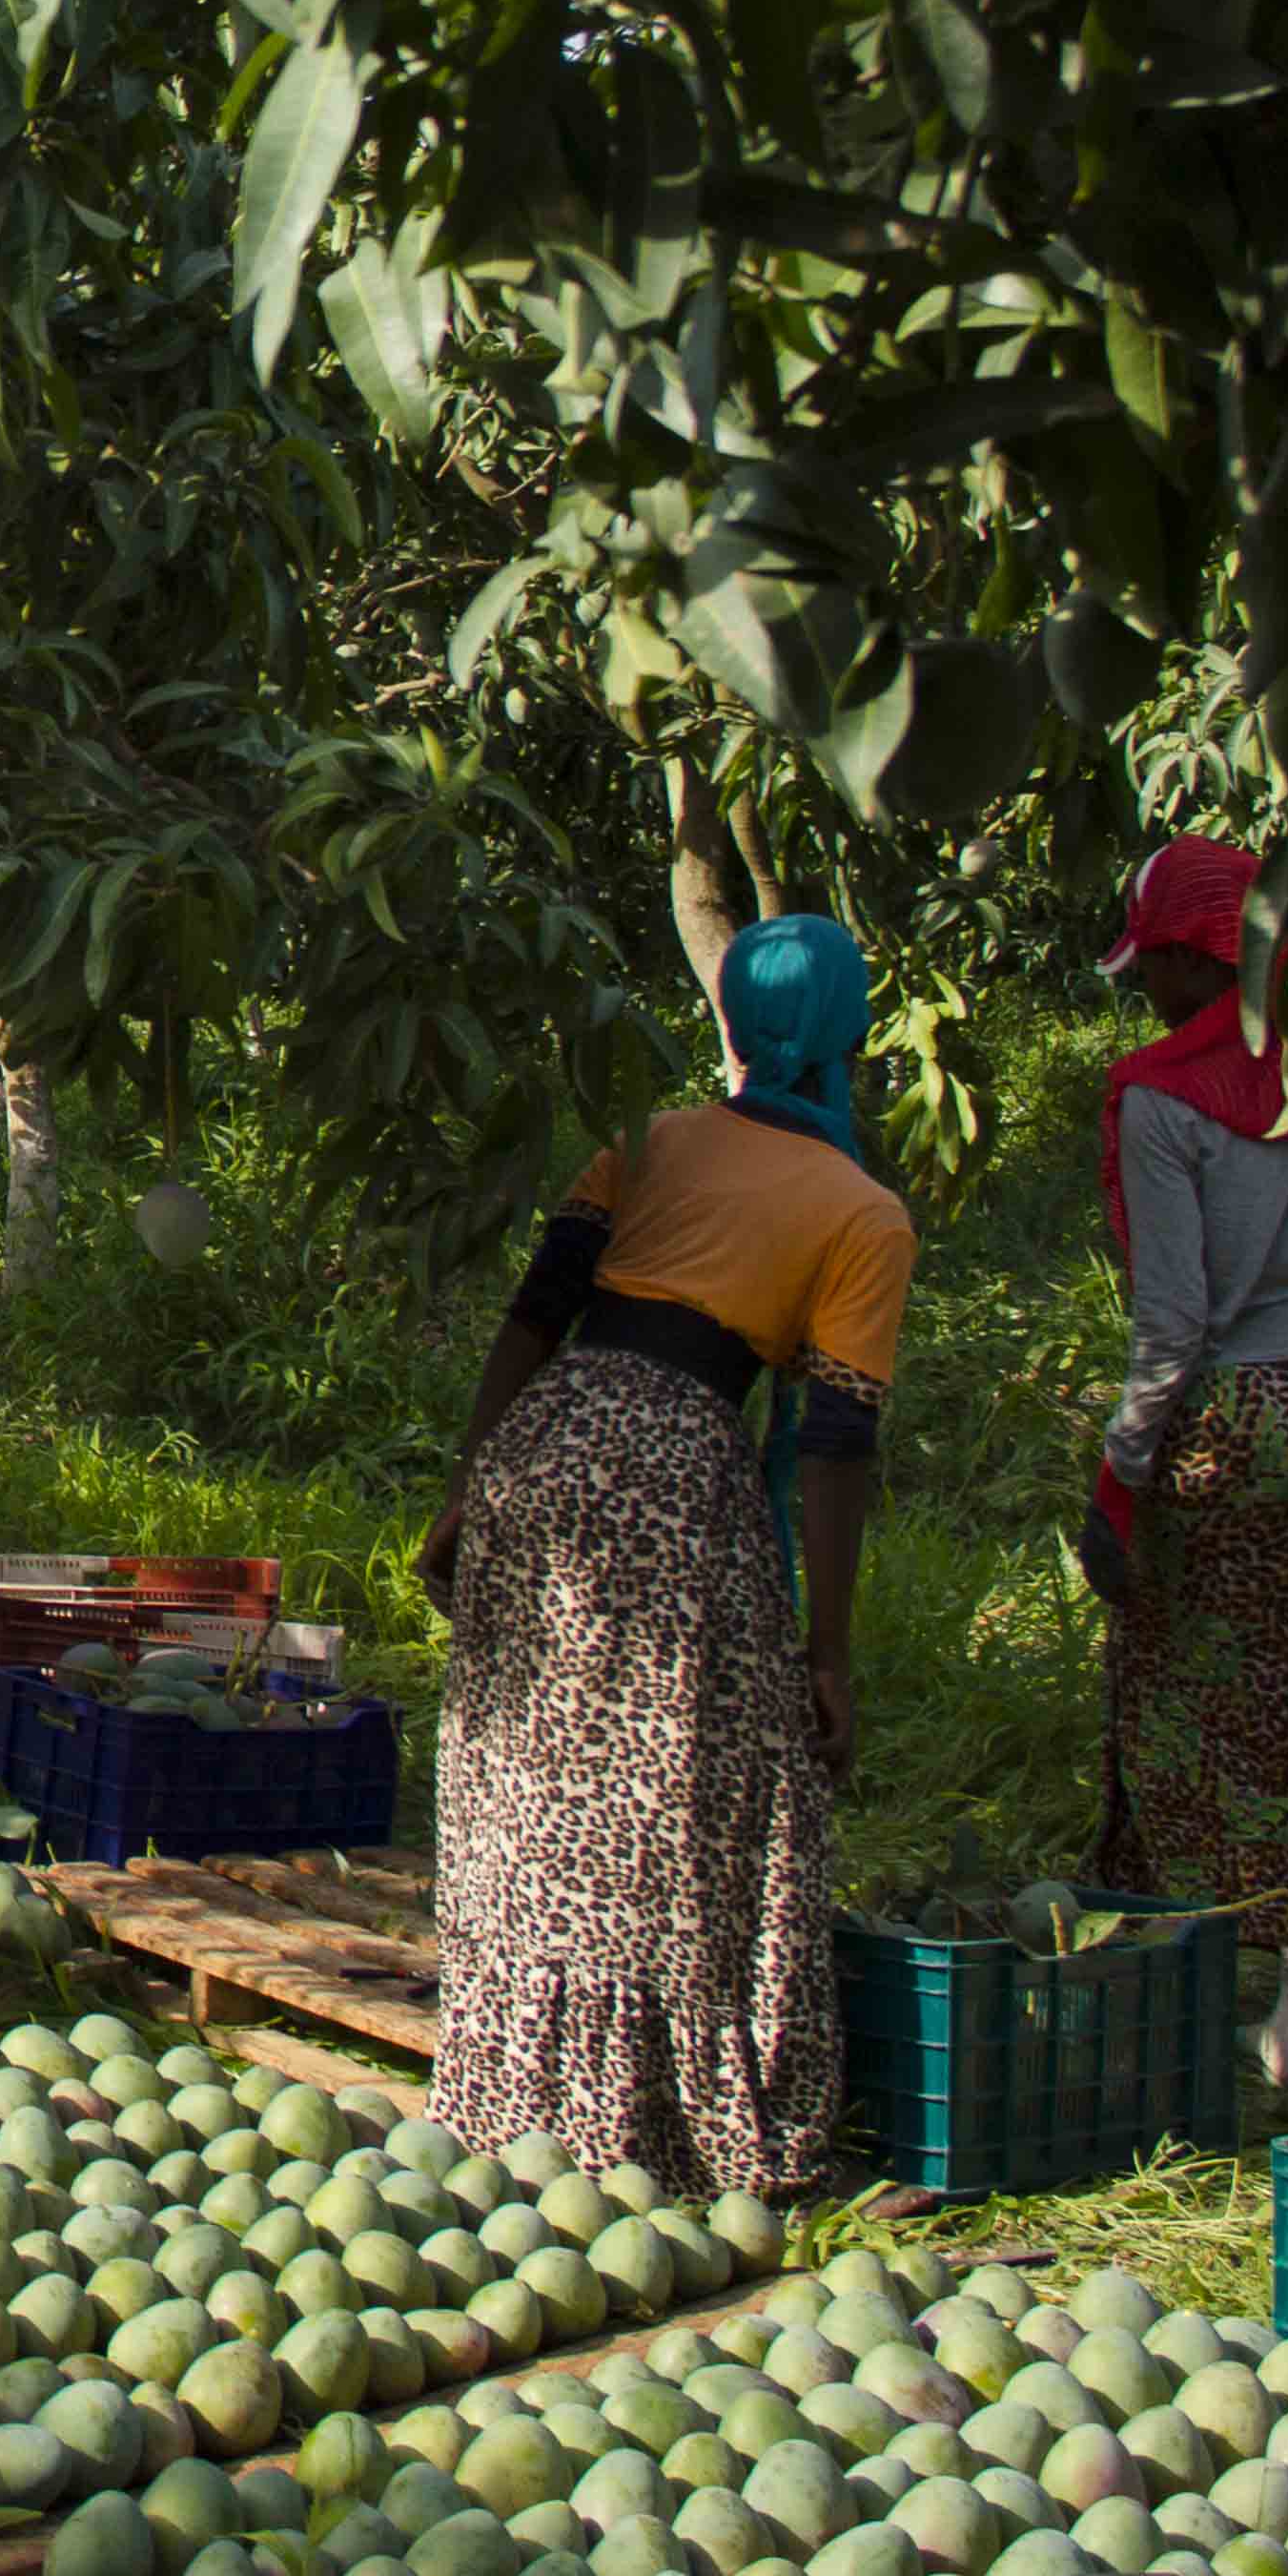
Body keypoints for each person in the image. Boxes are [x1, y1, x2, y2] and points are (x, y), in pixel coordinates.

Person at [420, 913, 908, 2199]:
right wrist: (827, 1655)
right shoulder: (861, 1213)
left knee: (531, 1776)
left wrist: (471, 1481)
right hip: (674, 1478)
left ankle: (509, 2089)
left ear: (734, 1022)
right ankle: (647, 2114)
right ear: (849, 1035)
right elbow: (834, 1448)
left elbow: (534, 1316)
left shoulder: (645, 1143)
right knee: (684, 1793)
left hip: (544, 1444)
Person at [1080, 835, 1288, 2091]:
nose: (1145, 989)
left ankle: (1189, 1988)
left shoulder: (1160, 1100)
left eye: (1152, 962)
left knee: (1184, 1698)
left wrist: (1119, 1475)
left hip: (1219, 1414)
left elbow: (1173, 1320)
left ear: (1196, 956)